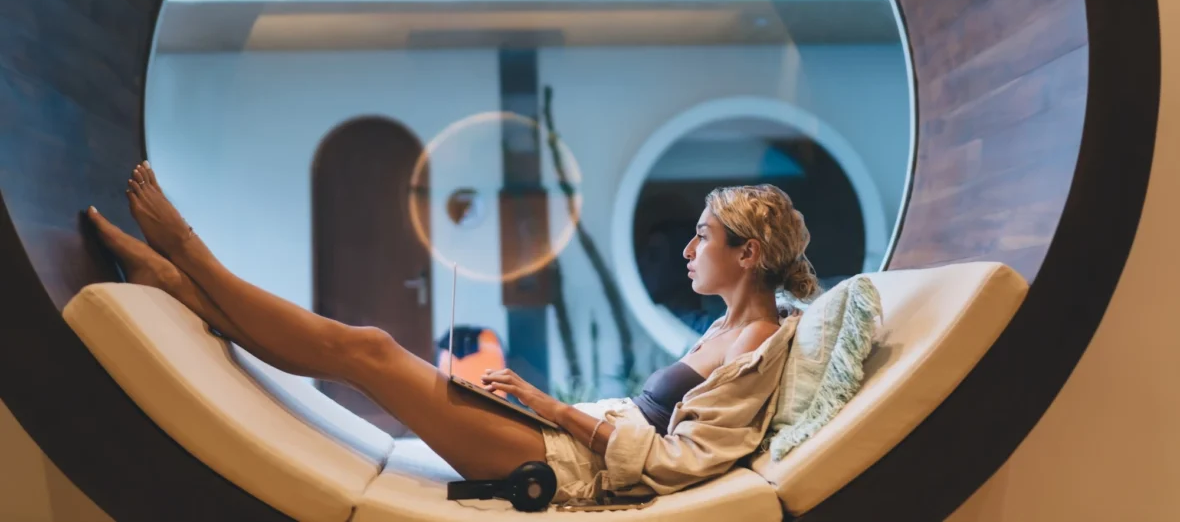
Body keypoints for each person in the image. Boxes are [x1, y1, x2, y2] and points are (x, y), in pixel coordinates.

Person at [87, 164, 818, 502]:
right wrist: (553, 409)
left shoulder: (755, 347)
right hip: (566, 434)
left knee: (368, 350)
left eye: (702, 237)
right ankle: (182, 283)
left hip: (569, 466)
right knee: (367, 349)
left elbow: (682, 463)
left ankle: (189, 255)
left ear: (747, 254)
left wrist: (555, 408)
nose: (688, 251)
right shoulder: (729, 328)